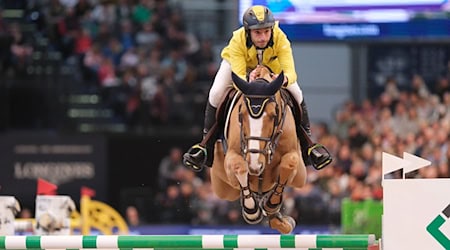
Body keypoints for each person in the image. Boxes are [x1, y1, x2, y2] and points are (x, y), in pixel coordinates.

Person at [183, 5, 332, 171]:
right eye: (258, 33)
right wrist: (249, 79)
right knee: (216, 92)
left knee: (296, 93)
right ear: (248, 31)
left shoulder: (280, 38)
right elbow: (238, 76)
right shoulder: (237, 40)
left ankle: (308, 147)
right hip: (239, 67)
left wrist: (283, 80)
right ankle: (206, 147)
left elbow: (290, 71)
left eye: (267, 32)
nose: (263, 37)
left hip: (272, 68)